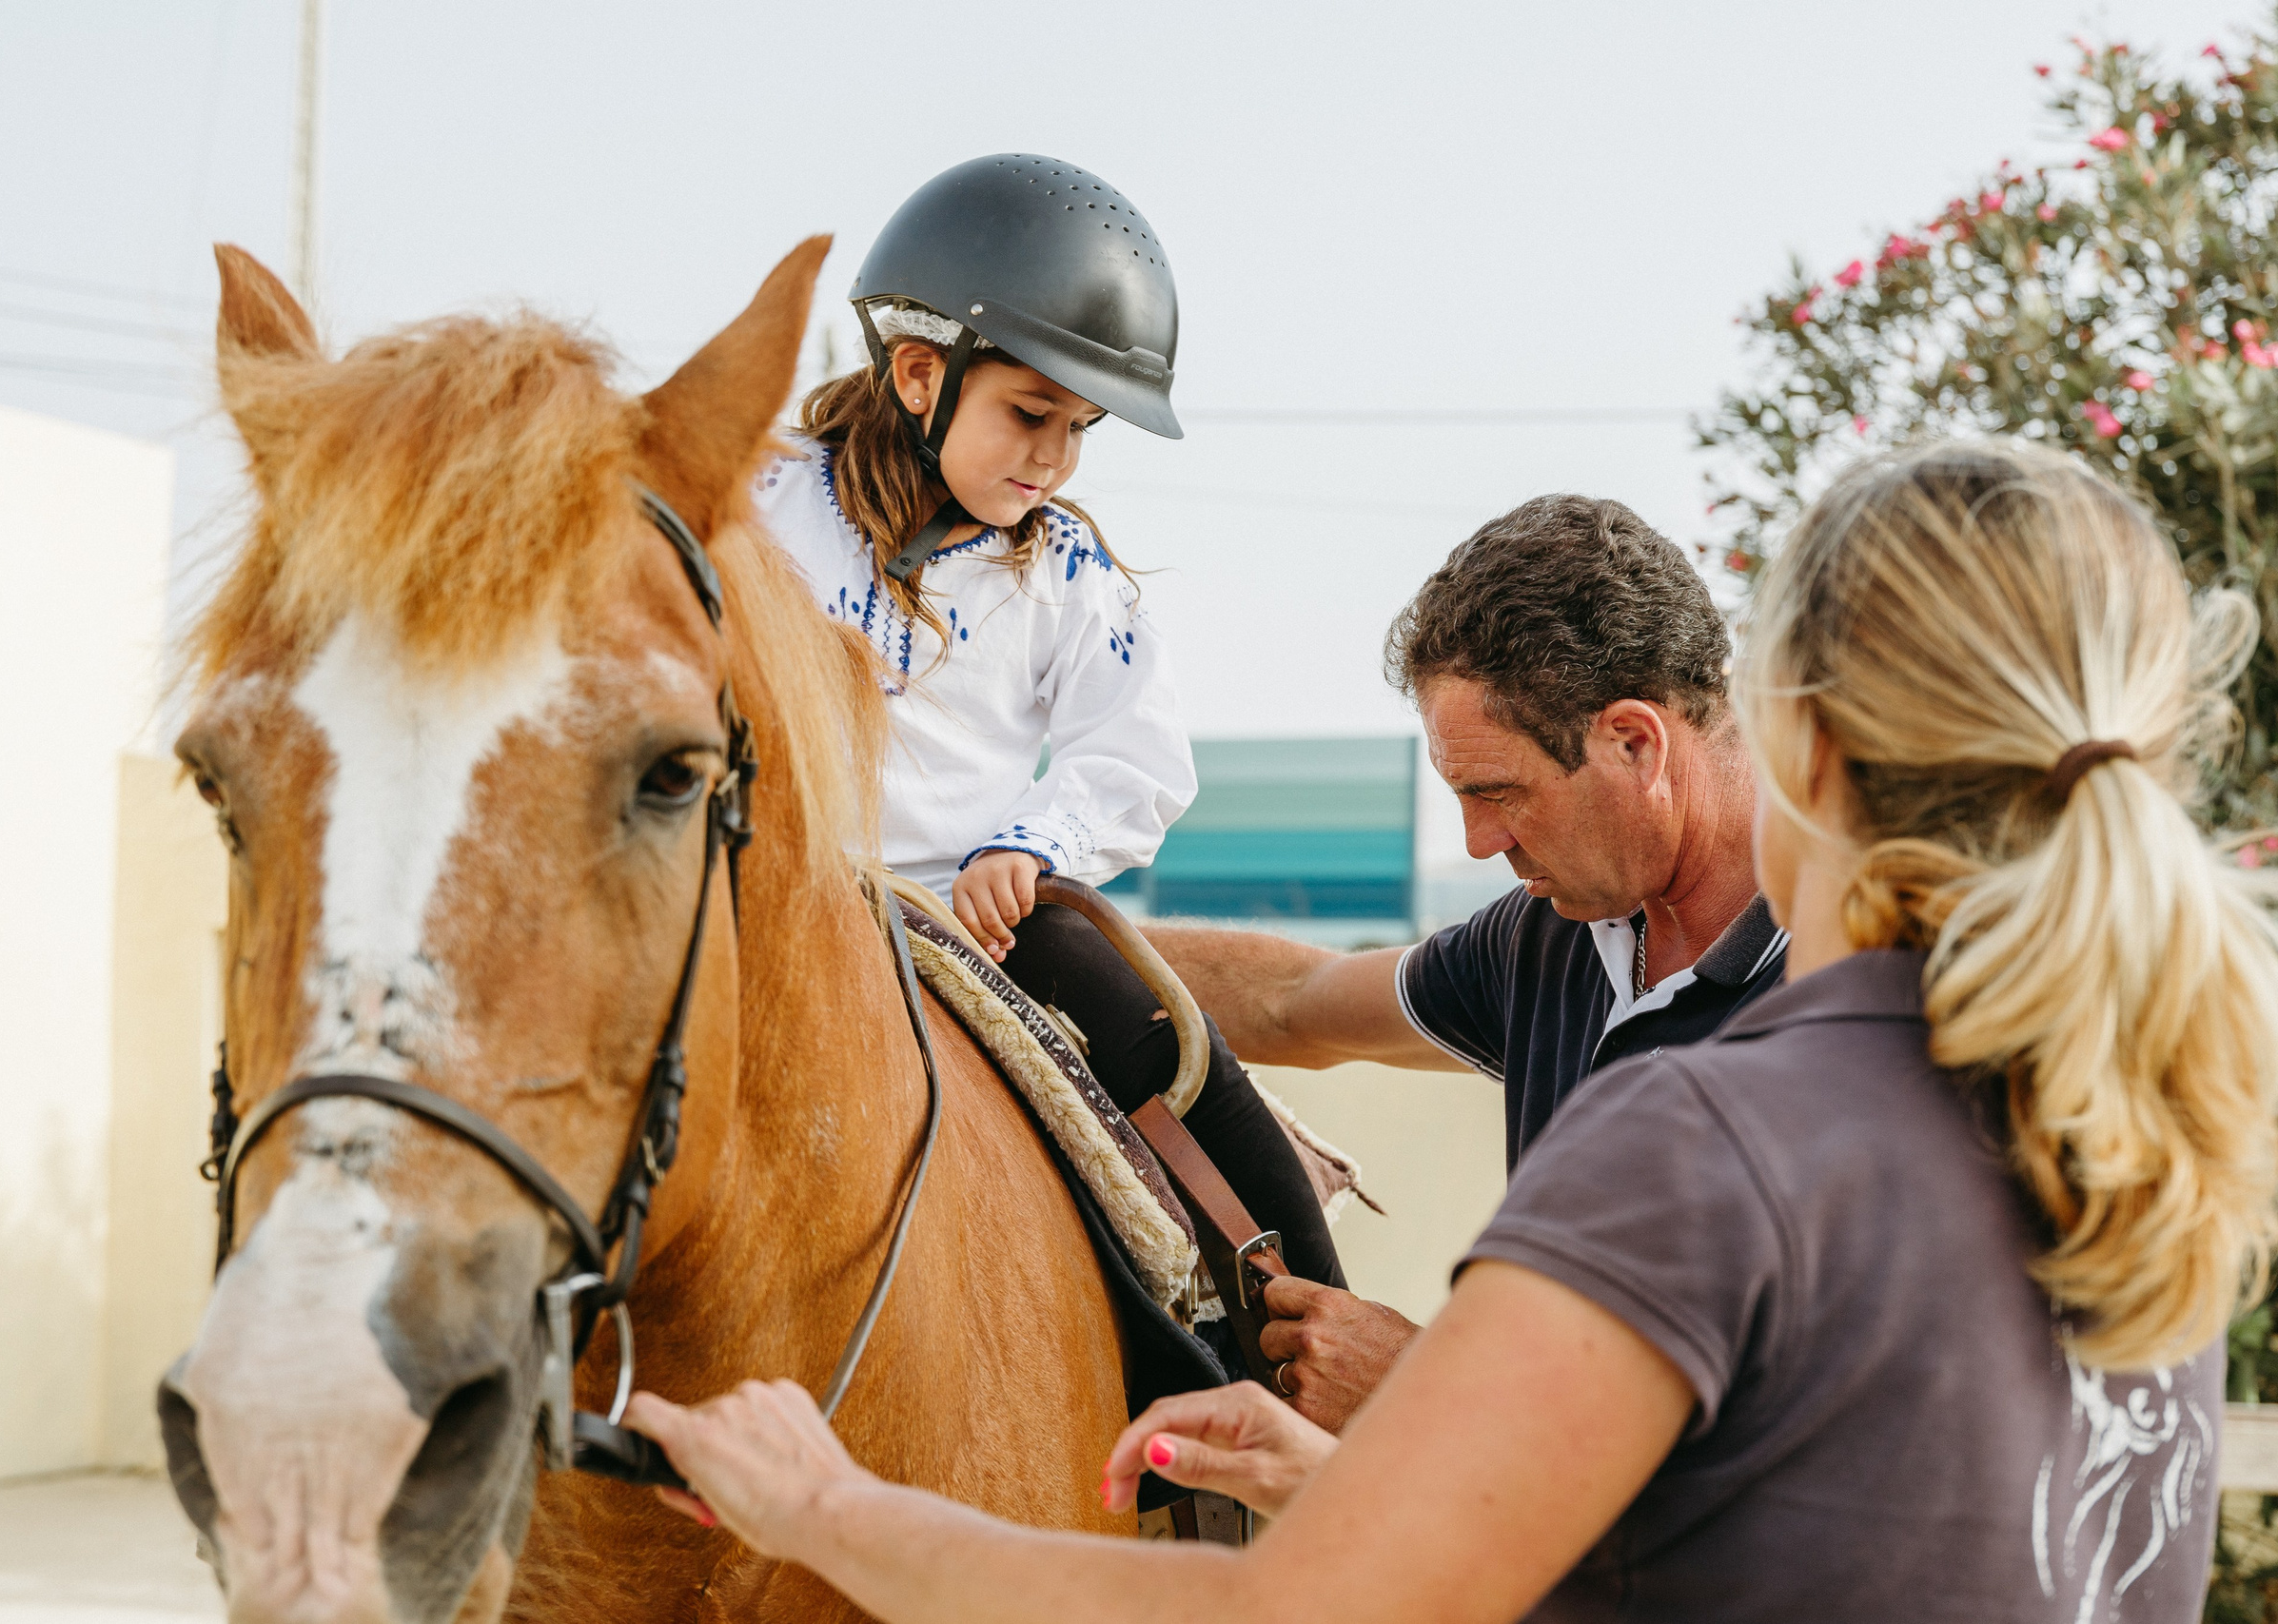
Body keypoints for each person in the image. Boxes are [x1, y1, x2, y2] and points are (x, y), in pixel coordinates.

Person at [626, 439, 2278, 1621]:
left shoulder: (1716, 1135)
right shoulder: (2138, 1122)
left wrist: (828, 1505)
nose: (1481, 838)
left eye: (1492, 792)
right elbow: (1821, 1536)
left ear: (1807, 745)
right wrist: (940, 914)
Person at [753, 153, 1344, 1290]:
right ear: (920, 374)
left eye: (1078, 428)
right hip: (767, 892)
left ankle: (1294, 1333)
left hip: (974, 921)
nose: (1056, 458)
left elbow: (1137, 755)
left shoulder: (1064, 567)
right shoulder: (759, 499)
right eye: (1030, 414)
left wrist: (1029, 848)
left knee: (1172, 1052)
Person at [1147, 495, 1786, 1427]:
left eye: (1499, 792)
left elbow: (1806, 1426)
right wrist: (989, 933)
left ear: (1635, 743)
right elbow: (1294, 1001)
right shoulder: (1556, 938)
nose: (1480, 843)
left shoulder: (1858, 984)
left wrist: (1430, 1391)